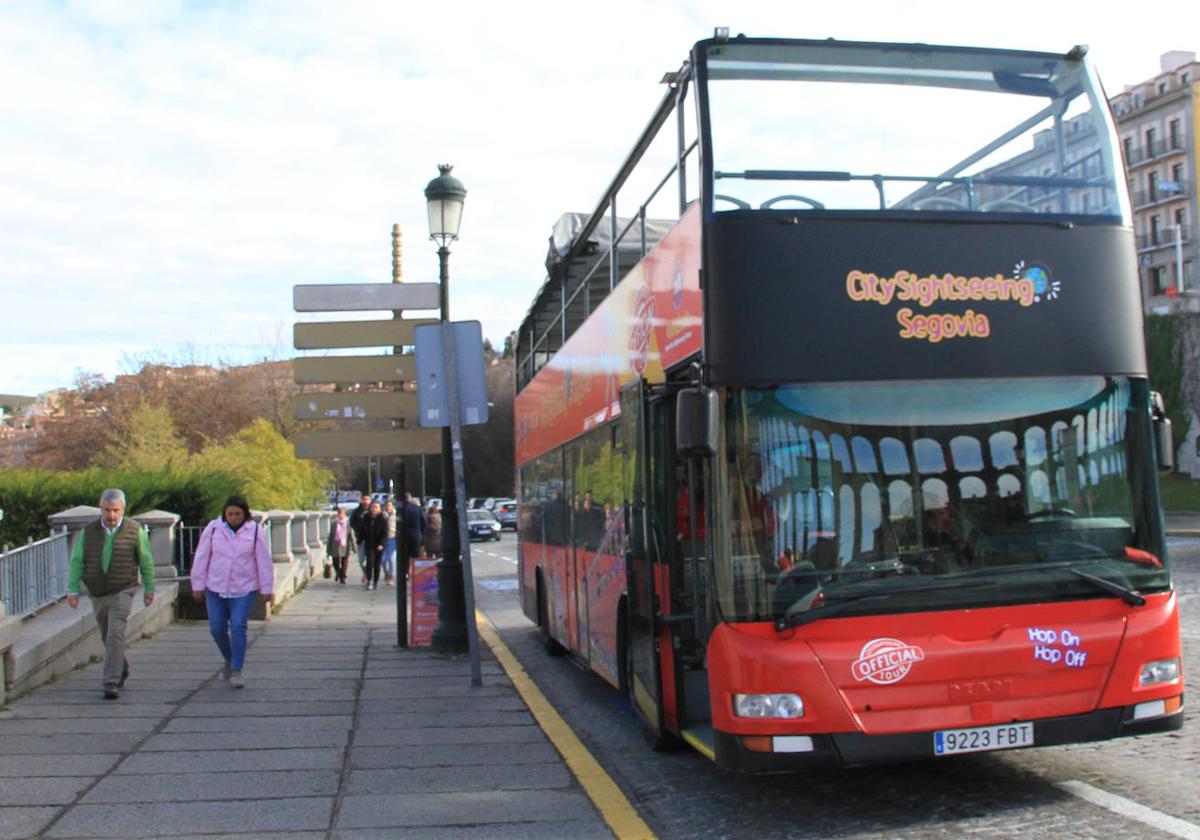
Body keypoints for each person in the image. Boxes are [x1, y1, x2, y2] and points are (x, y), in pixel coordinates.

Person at [66, 488, 155, 700]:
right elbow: (77, 561)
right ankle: (121, 666)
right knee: (108, 635)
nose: (111, 515)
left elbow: (146, 560)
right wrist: (73, 589)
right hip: (97, 591)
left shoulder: (134, 530)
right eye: (107, 510)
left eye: (115, 510)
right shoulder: (89, 531)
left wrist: (149, 587)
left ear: (123, 509)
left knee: (116, 631)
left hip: (123, 588)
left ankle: (110, 682)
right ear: (101, 509)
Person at [190, 496, 273, 689]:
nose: (233, 518)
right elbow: (202, 557)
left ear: (245, 514)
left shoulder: (254, 531)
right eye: (230, 514)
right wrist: (198, 585)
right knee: (217, 628)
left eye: (237, 514)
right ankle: (229, 657)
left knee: (238, 626)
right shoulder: (213, 529)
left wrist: (266, 588)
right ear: (224, 513)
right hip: (216, 586)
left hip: (244, 586)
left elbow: (263, 560)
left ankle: (237, 669)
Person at [325, 507, 357, 584]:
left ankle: (343, 576)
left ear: (345, 514)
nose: (341, 516)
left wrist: (354, 547)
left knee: (344, 562)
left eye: (342, 514)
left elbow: (351, 537)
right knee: (335, 562)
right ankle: (338, 573)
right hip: (335, 546)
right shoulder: (334, 524)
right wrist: (328, 549)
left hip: (345, 546)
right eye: (339, 514)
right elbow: (330, 537)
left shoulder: (348, 525)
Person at [362, 500, 388, 590]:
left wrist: (382, 544)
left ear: (380, 509)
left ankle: (376, 581)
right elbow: (362, 531)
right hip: (369, 544)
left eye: (376, 507)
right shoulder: (366, 518)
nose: (374, 509)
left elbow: (385, 534)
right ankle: (369, 580)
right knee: (370, 562)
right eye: (373, 507)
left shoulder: (383, 519)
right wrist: (359, 541)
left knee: (377, 564)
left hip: (379, 545)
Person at [348, 492, 371, 584]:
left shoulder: (373, 510)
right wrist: (357, 530)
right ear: (361, 500)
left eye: (367, 499)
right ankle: (365, 573)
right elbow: (352, 522)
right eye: (364, 499)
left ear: (370, 500)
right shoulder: (357, 511)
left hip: (371, 539)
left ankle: (368, 576)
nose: (365, 501)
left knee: (370, 559)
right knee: (361, 559)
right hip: (360, 539)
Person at [400, 492, 425, 569]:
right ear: (410, 499)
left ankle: (405, 573)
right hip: (416, 535)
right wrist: (421, 532)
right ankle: (416, 574)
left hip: (404, 536)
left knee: (404, 556)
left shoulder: (401, 509)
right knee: (416, 556)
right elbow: (423, 522)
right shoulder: (417, 508)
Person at [381, 499, 398, 586]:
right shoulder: (382, 515)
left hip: (393, 539)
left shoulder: (396, 515)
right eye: (386, 506)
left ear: (393, 506)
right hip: (383, 539)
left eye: (390, 505)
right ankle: (386, 571)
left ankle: (391, 576)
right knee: (383, 559)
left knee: (391, 559)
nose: (388, 507)